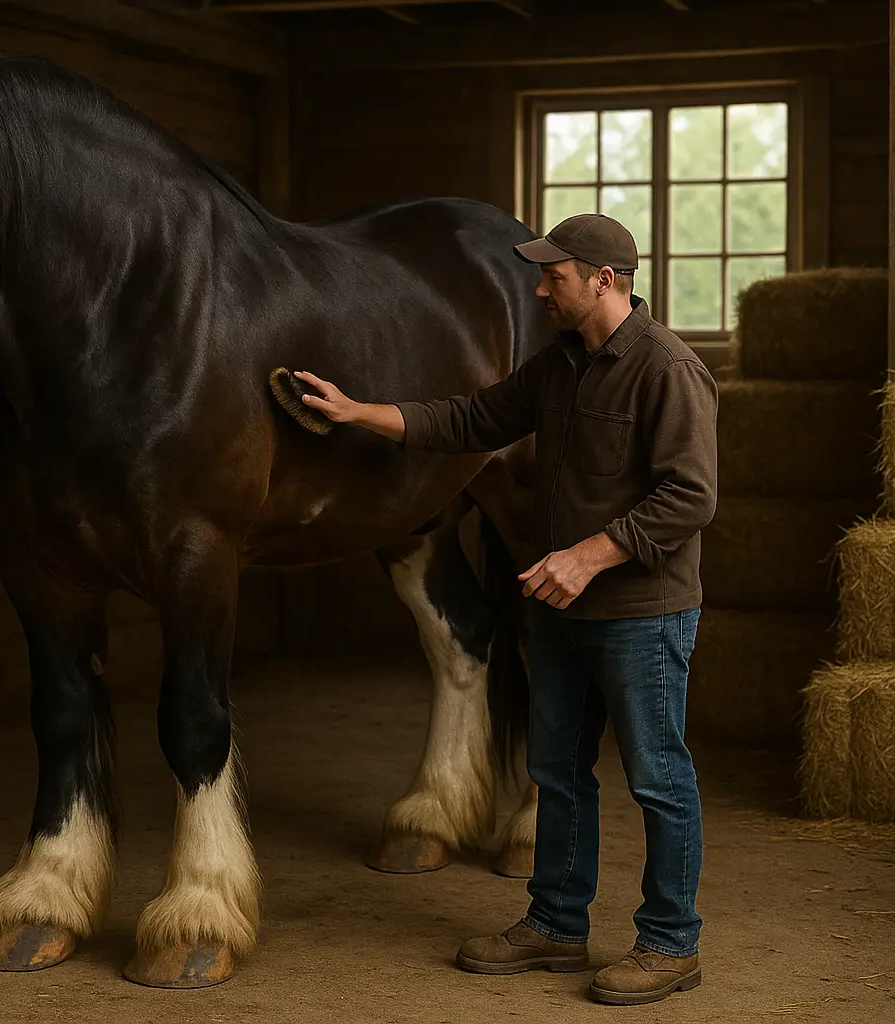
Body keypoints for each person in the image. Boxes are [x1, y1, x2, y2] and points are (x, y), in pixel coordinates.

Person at [294, 213, 718, 1006]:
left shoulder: (669, 369)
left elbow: (691, 497)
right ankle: (556, 925)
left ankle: (670, 943)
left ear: (604, 280)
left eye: (553, 276)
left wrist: (589, 555)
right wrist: (361, 413)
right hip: (559, 606)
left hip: (640, 611)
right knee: (555, 770)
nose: (538, 289)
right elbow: (470, 420)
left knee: (658, 778)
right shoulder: (557, 365)